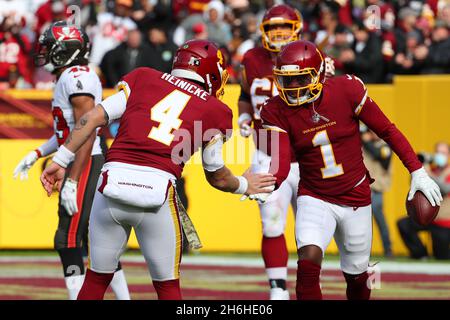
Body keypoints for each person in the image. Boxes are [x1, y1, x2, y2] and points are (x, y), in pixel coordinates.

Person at [40, 39, 276, 300]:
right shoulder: (215, 109)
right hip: (158, 195)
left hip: (111, 185)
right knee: (167, 288)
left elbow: (91, 118)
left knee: (95, 280)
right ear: (209, 71)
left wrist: (60, 160)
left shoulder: (143, 78)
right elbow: (217, 176)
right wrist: (244, 184)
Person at [260, 40, 442, 300]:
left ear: (318, 74)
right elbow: (279, 162)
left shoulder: (347, 89)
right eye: (286, 80)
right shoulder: (275, 109)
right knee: (308, 264)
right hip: (315, 195)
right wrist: (263, 184)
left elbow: (387, 130)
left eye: (299, 79)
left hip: (355, 196)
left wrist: (417, 171)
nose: (292, 87)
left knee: (357, 277)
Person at [13, 21, 130, 300]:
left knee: (67, 237)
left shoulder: (75, 76)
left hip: (87, 157)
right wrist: (38, 153)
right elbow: (69, 132)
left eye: (51, 47)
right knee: (94, 240)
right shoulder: (67, 77)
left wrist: (72, 180)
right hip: (83, 155)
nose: (45, 52)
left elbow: (87, 131)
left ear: (66, 50)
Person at [237, 4, 303, 300]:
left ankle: (309, 285)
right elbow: (243, 93)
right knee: (272, 224)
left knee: (311, 229)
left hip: (305, 156)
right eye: (273, 27)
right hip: (267, 153)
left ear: (296, 29)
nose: (278, 32)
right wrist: (243, 114)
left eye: (285, 27)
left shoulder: (309, 55)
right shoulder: (251, 58)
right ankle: (278, 291)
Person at [398, 142, 450, 260]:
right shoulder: (432, 169)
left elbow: (445, 189)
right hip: (429, 218)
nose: (439, 155)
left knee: (441, 256)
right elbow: (413, 183)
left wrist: (429, 174)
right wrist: (419, 171)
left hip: (444, 222)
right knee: (404, 224)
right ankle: (421, 254)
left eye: (443, 153)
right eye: (437, 152)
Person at [361, 127, 393, 257]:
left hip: (376, 188)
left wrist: (365, 140)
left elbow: (378, 154)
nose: (372, 133)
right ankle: (360, 250)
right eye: (370, 131)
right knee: (361, 220)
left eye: (374, 131)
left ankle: (388, 248)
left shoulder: (385, 146)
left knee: (379, 219)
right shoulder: (363, 145)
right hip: (364, 187)